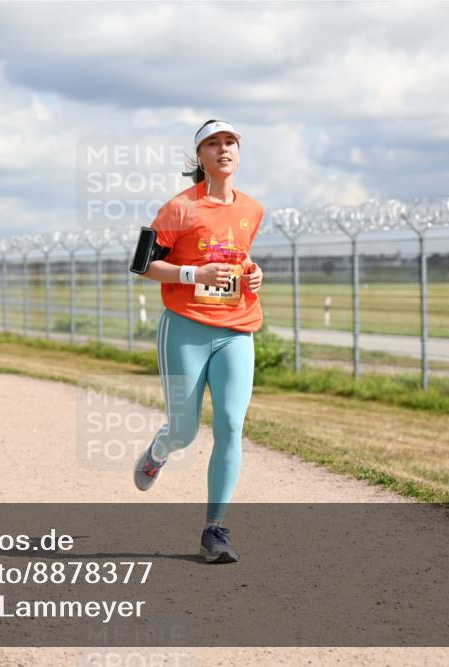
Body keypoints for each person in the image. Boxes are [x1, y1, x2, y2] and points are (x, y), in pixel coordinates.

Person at [132, 119, 264, 564]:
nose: (223, 149)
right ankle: (158, 451)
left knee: (230, 424)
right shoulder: (178, 208)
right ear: (200, 156)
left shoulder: (253, 209)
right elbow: (141, 265)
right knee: (185, 431)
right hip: (186, 327)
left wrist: (253, 271)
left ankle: (215, 529)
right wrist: (193, 274)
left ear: (239, 153)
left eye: (230, 142)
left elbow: (236, 254)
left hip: (237, 328)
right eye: (213, 143)